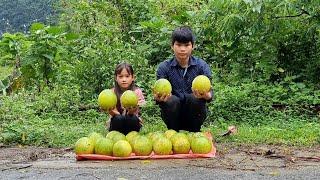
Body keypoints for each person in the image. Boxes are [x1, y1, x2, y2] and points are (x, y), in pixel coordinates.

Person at [154, 26, 213, 132]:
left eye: (186, 45)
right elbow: (159, 97)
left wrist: (207, 96)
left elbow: (210, 94)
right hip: (173, 116)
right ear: (172, 46)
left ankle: (195, 131)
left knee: (194, 99)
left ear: (193, 46)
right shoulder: (164, 68)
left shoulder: (202, 66)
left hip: (194, 115)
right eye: (178, 45)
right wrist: (158, 98)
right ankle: (173, 131)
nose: (182, 49)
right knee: (171, 100)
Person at [106, 62, 145, 135]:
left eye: (127, 76)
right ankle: (116, 136)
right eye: (120, 76)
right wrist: (110, 110)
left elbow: (135, 114)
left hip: (131, 123)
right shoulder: (112, 93)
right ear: (116, 78)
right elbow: (115, 115)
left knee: (132, 118)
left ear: (133, 77)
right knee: (118, 118)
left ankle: (131, 136)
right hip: (117, 124)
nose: (124, 79)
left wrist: (131, 110)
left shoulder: (136, 92)